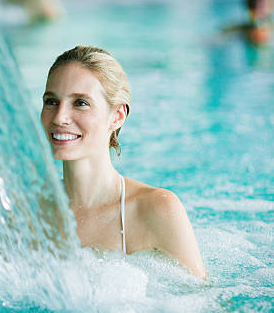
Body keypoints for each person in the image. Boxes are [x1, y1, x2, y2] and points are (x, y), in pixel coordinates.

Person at [41, 46, 207, 279]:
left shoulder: (156, 209)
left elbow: (201, 306)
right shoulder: (29, 210)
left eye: (80, 103)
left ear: (117, 116)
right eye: (51, 101)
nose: (59, 117)